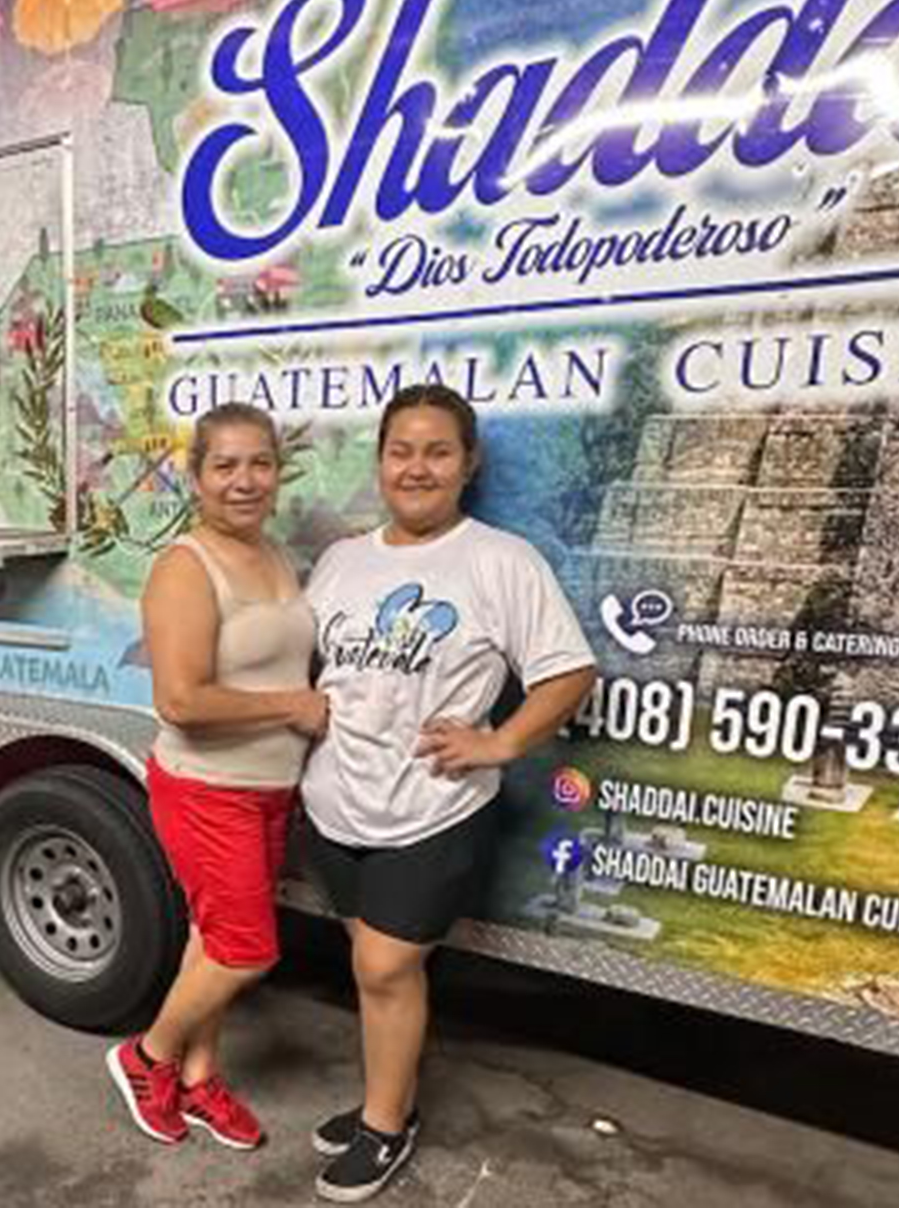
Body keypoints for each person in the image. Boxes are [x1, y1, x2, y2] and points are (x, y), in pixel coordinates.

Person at [301, 384, 595, 1203]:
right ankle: (381, 1097)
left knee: (385, 963)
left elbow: (568, 671)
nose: (417, 466)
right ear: (381, 461)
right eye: (401, 450)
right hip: (335, 803)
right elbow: (314, 666)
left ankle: (387, 1127)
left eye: (437, 450)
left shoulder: (499, 559)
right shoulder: (342, 561)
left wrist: (499, 741)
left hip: (431, 807)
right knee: (378, 973)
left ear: (469, 463)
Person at [108, 403, 328, 1151]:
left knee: (212, 935)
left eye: (259, 463)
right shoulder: (184, 566)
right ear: (195, 476)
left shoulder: (273, 555)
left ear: (278, 470)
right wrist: (290, 706)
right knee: (246, 948)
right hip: (207, 789)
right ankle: (147, 1056)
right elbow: (180, 700)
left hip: (270, 791)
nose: (245, 480)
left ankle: (200, 1077)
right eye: (225, 465)